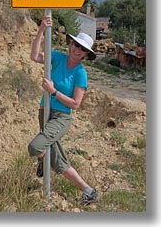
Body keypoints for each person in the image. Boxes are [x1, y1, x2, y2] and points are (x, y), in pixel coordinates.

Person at [28, 15, 98, 205]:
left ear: (85, 54)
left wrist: (54, 91)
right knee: (58, 160)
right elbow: (34, 56)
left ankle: (42, 159)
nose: (78, 50)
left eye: (82, 49)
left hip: (61, 117)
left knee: (35, 147)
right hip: (45, 111)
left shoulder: (80, 74)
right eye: (76, 45)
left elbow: (75, 103)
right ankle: (88, 190)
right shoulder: (58, 57)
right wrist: (41, 29)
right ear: (71, 44)